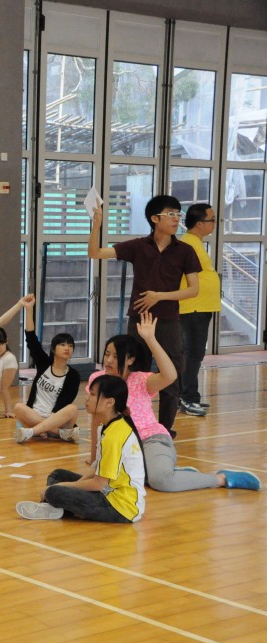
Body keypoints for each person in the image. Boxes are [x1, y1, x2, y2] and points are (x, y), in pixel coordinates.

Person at [90, 313, 259, 492]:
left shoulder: (141, 380)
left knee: (161, 481)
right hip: (121, 444)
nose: (109, 360)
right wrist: (94, 458)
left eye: (116, 356)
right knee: (114, 480)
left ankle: (222, 478)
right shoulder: (98, 379)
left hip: (150, 439)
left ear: (130, 360)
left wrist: (150, 339)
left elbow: (170, 375)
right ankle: (179, 474)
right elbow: (96, 421)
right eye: (107, 354)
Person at [88, 195, 201, 434]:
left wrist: (159, 296)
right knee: (133, 372)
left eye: (178, 214)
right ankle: (128, 423)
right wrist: (96, 224)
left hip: (168, 320)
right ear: (155, 218)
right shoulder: (138, 246)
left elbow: (193, 290)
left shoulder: (185, 251)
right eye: (171, 214)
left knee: (171, 374)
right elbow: (95, 252)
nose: (176, 219)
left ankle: (164, 429)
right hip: (139, 319)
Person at [16, 374, 145, 523]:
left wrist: (64, 487)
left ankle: (57, 506)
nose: (87, 398)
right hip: (107, 491)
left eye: (93, 394)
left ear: (109, 402)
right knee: (57, 475)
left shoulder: (114, 435)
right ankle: (59, 507)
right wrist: (71, 486)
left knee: (54, 491)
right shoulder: (106, 426)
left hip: (121, 506)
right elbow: (96, 467)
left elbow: (98, 484)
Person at [12, 294, 81, 443]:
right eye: (63, 344)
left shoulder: (73, 376)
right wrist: (29, 309)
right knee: (18, 407)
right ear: (54, 349)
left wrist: (51, 421)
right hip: (35, 416)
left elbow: (65, 404)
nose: (67, 348)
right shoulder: (44, 363)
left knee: (72, 409)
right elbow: (31, 339)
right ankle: (58, 434)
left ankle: (34, 431)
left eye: (70, 345)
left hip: (56, 419)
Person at [178, 203, 220, 416]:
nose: (215, 223)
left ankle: (189, 396)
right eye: (212, 220)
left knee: (194, 353)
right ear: (199, 223)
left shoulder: (195, 243)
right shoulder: (188, 244)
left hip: (201, 307)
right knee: (192, 353)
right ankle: (187, 398)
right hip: (193, 307)